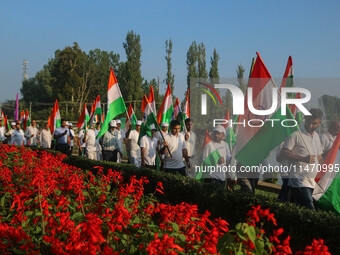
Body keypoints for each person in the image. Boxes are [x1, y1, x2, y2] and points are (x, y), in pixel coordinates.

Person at [280, 108, 323, 210]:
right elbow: (283, 153)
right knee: (310, 210)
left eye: (314, 123)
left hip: (312, 182)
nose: (310, 125)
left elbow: (319, 157)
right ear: (305, 119)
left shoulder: (317, 136)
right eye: (308, 122)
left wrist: (326, 170)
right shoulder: (296, 134)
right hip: (299, 180)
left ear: (320, 123)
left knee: (300, 211)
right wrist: (303, 158)